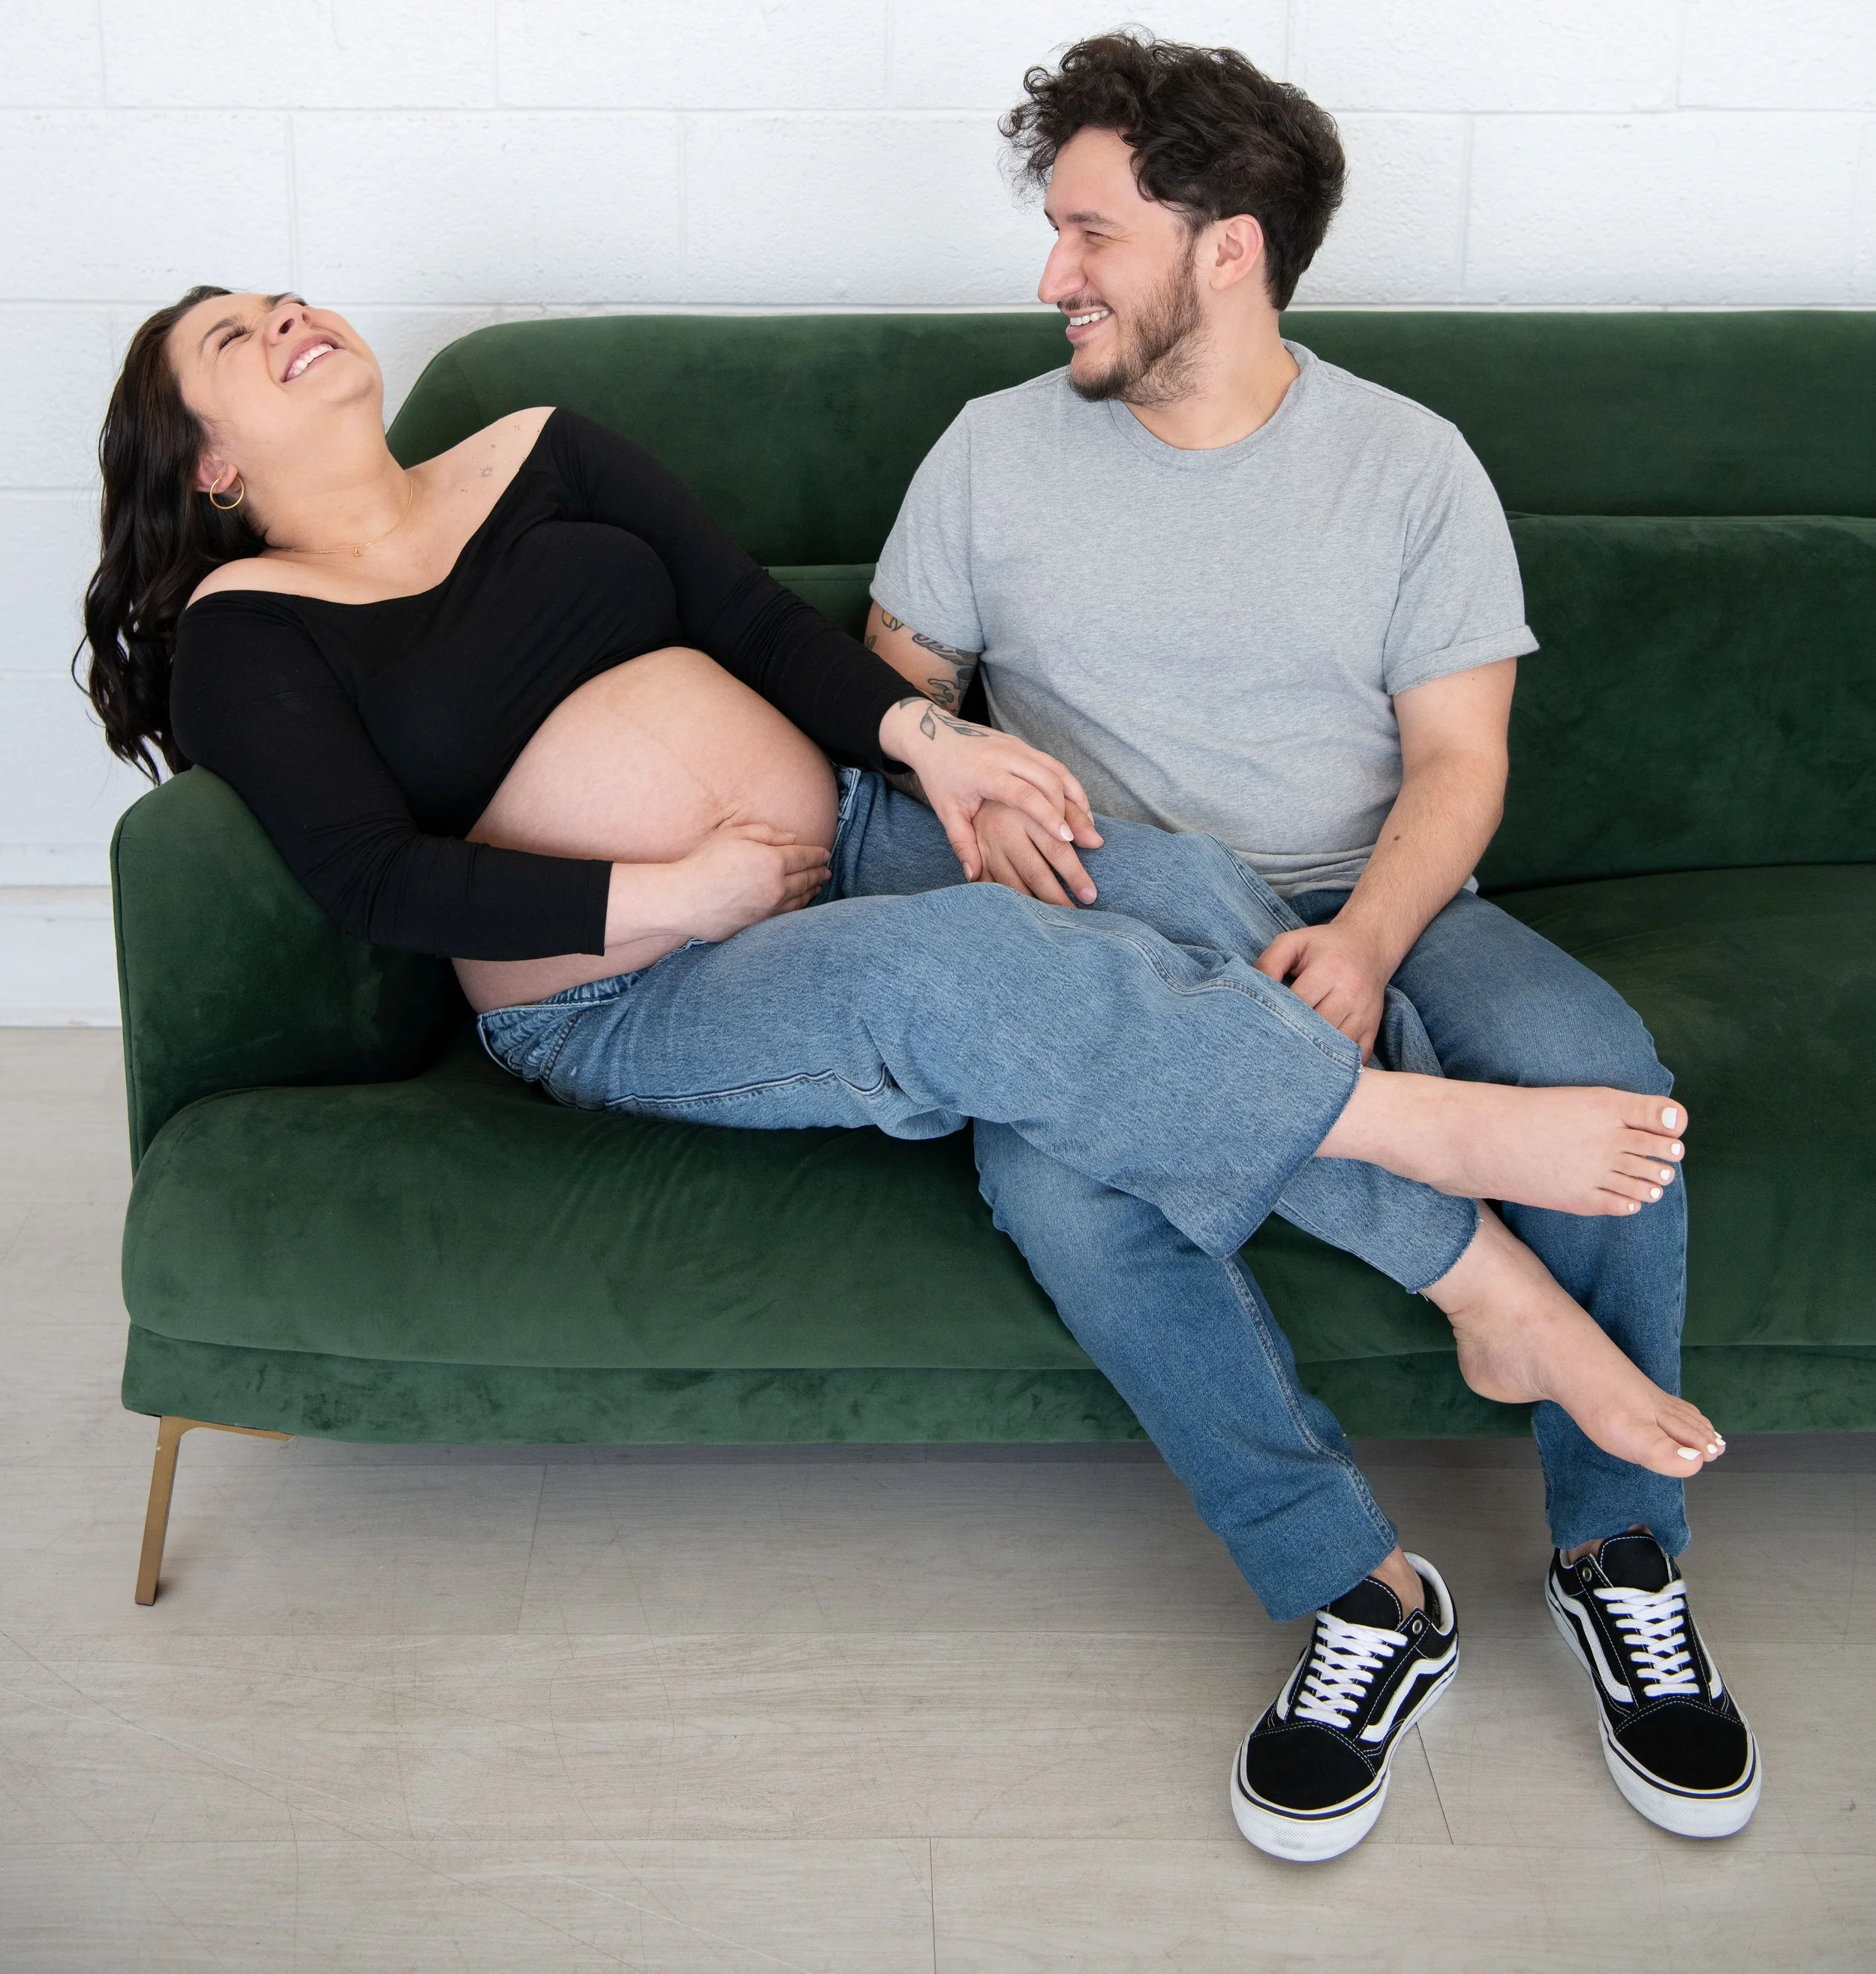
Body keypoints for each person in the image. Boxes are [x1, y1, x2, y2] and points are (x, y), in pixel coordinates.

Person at [84, 284, 1723, 1858]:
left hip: (853, 839)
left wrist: (936, 750)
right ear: (209, 463)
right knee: (966, 974)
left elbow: (748, 625)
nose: (293, 320)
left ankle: (1460, 1364)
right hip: (625, 987)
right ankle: (1462, 1256)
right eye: (237, 336)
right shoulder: (249, 633)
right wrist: (664, 895)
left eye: (293, 299)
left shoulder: (542, 448)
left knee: (1170, 889)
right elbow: (373, 878)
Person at [866, 32, 1760, 1856]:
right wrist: (956, 762)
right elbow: (878, 705)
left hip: (1388, 900)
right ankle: (1361, 1595)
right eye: (1053, 234)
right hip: (1113, 937)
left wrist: (1360, 941)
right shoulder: (989, 455)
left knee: (1606, 1093)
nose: (1052, 279)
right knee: (1057, 1189)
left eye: (1089, 234)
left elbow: (1458, 763)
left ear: (1227, 246)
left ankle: (1617, 1553)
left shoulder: (1408, 466)